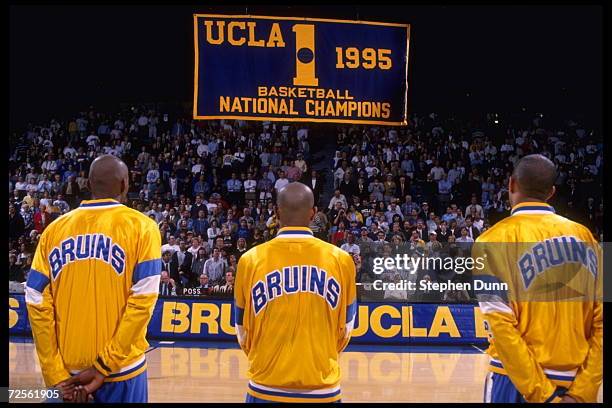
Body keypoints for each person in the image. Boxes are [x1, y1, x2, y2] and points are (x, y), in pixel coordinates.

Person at [25, 154, 161, 403]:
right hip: (122, 371)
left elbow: (35, 299)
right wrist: (103, 365)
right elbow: (142, 301)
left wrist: (55, 374)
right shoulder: (143, 227)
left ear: (88, 184)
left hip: (67, 375)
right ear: (124, 185)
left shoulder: (53, 230)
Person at [474, 154, 602, 403]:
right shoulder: (587, 237)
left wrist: (545, 396)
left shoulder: (489, 241)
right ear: (551, 192)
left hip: (514, 382)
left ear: (511, 185)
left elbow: (501, 325)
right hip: (575, 381)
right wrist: (582, 392)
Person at [234, 182, 356, 403]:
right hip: (322, 386)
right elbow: (346, 329)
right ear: (314, 213)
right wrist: (318, 358)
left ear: (277, 212)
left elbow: (241, 329)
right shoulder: (341, 260)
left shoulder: (249, 259)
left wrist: (266, 360)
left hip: (265, 384)